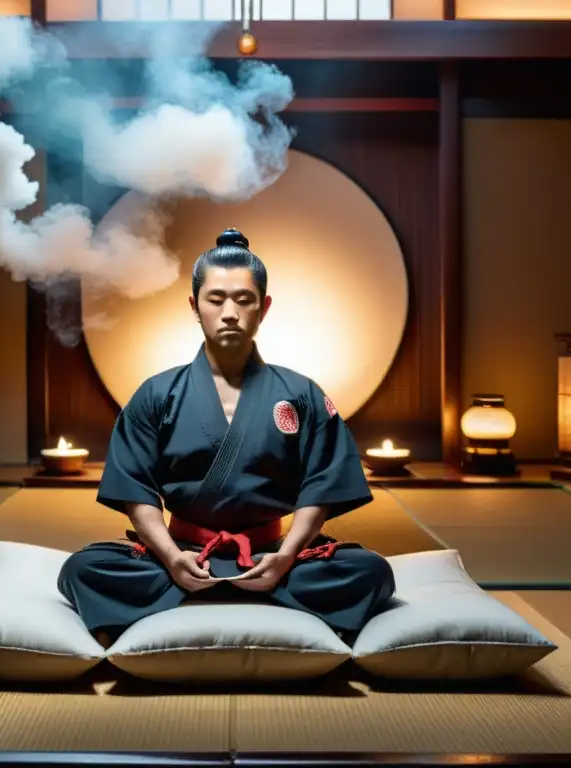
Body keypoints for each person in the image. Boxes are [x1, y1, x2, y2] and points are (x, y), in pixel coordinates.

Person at [57, 228, 396, 645]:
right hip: (180, 554)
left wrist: (287, 555)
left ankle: (251, 584)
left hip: (274, 553)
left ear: (264, 307)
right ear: (194, 306)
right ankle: (207, 586)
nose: (230, 312)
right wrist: (170, 556)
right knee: (82, 569)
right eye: (215, 299)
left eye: (244, 299)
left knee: (372, 572)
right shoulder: (157, 393)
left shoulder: (301, 393)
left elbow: (322, 485)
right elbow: (136, 491)